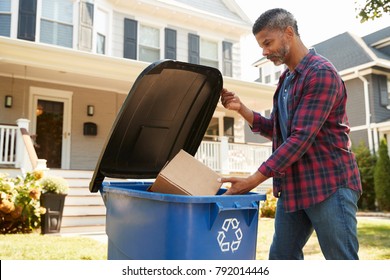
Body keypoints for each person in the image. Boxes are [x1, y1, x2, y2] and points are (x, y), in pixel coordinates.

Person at [219, 8, 362, 260]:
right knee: (281, 259)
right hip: (294, 187)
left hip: (329, 184)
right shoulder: (286, 79)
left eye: (267, 43)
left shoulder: (320, 73)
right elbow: (279, 130)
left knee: (341, 261)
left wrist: (253, 181)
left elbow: (300, 139)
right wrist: (241, 108)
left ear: (288, 33)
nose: (264, 52)